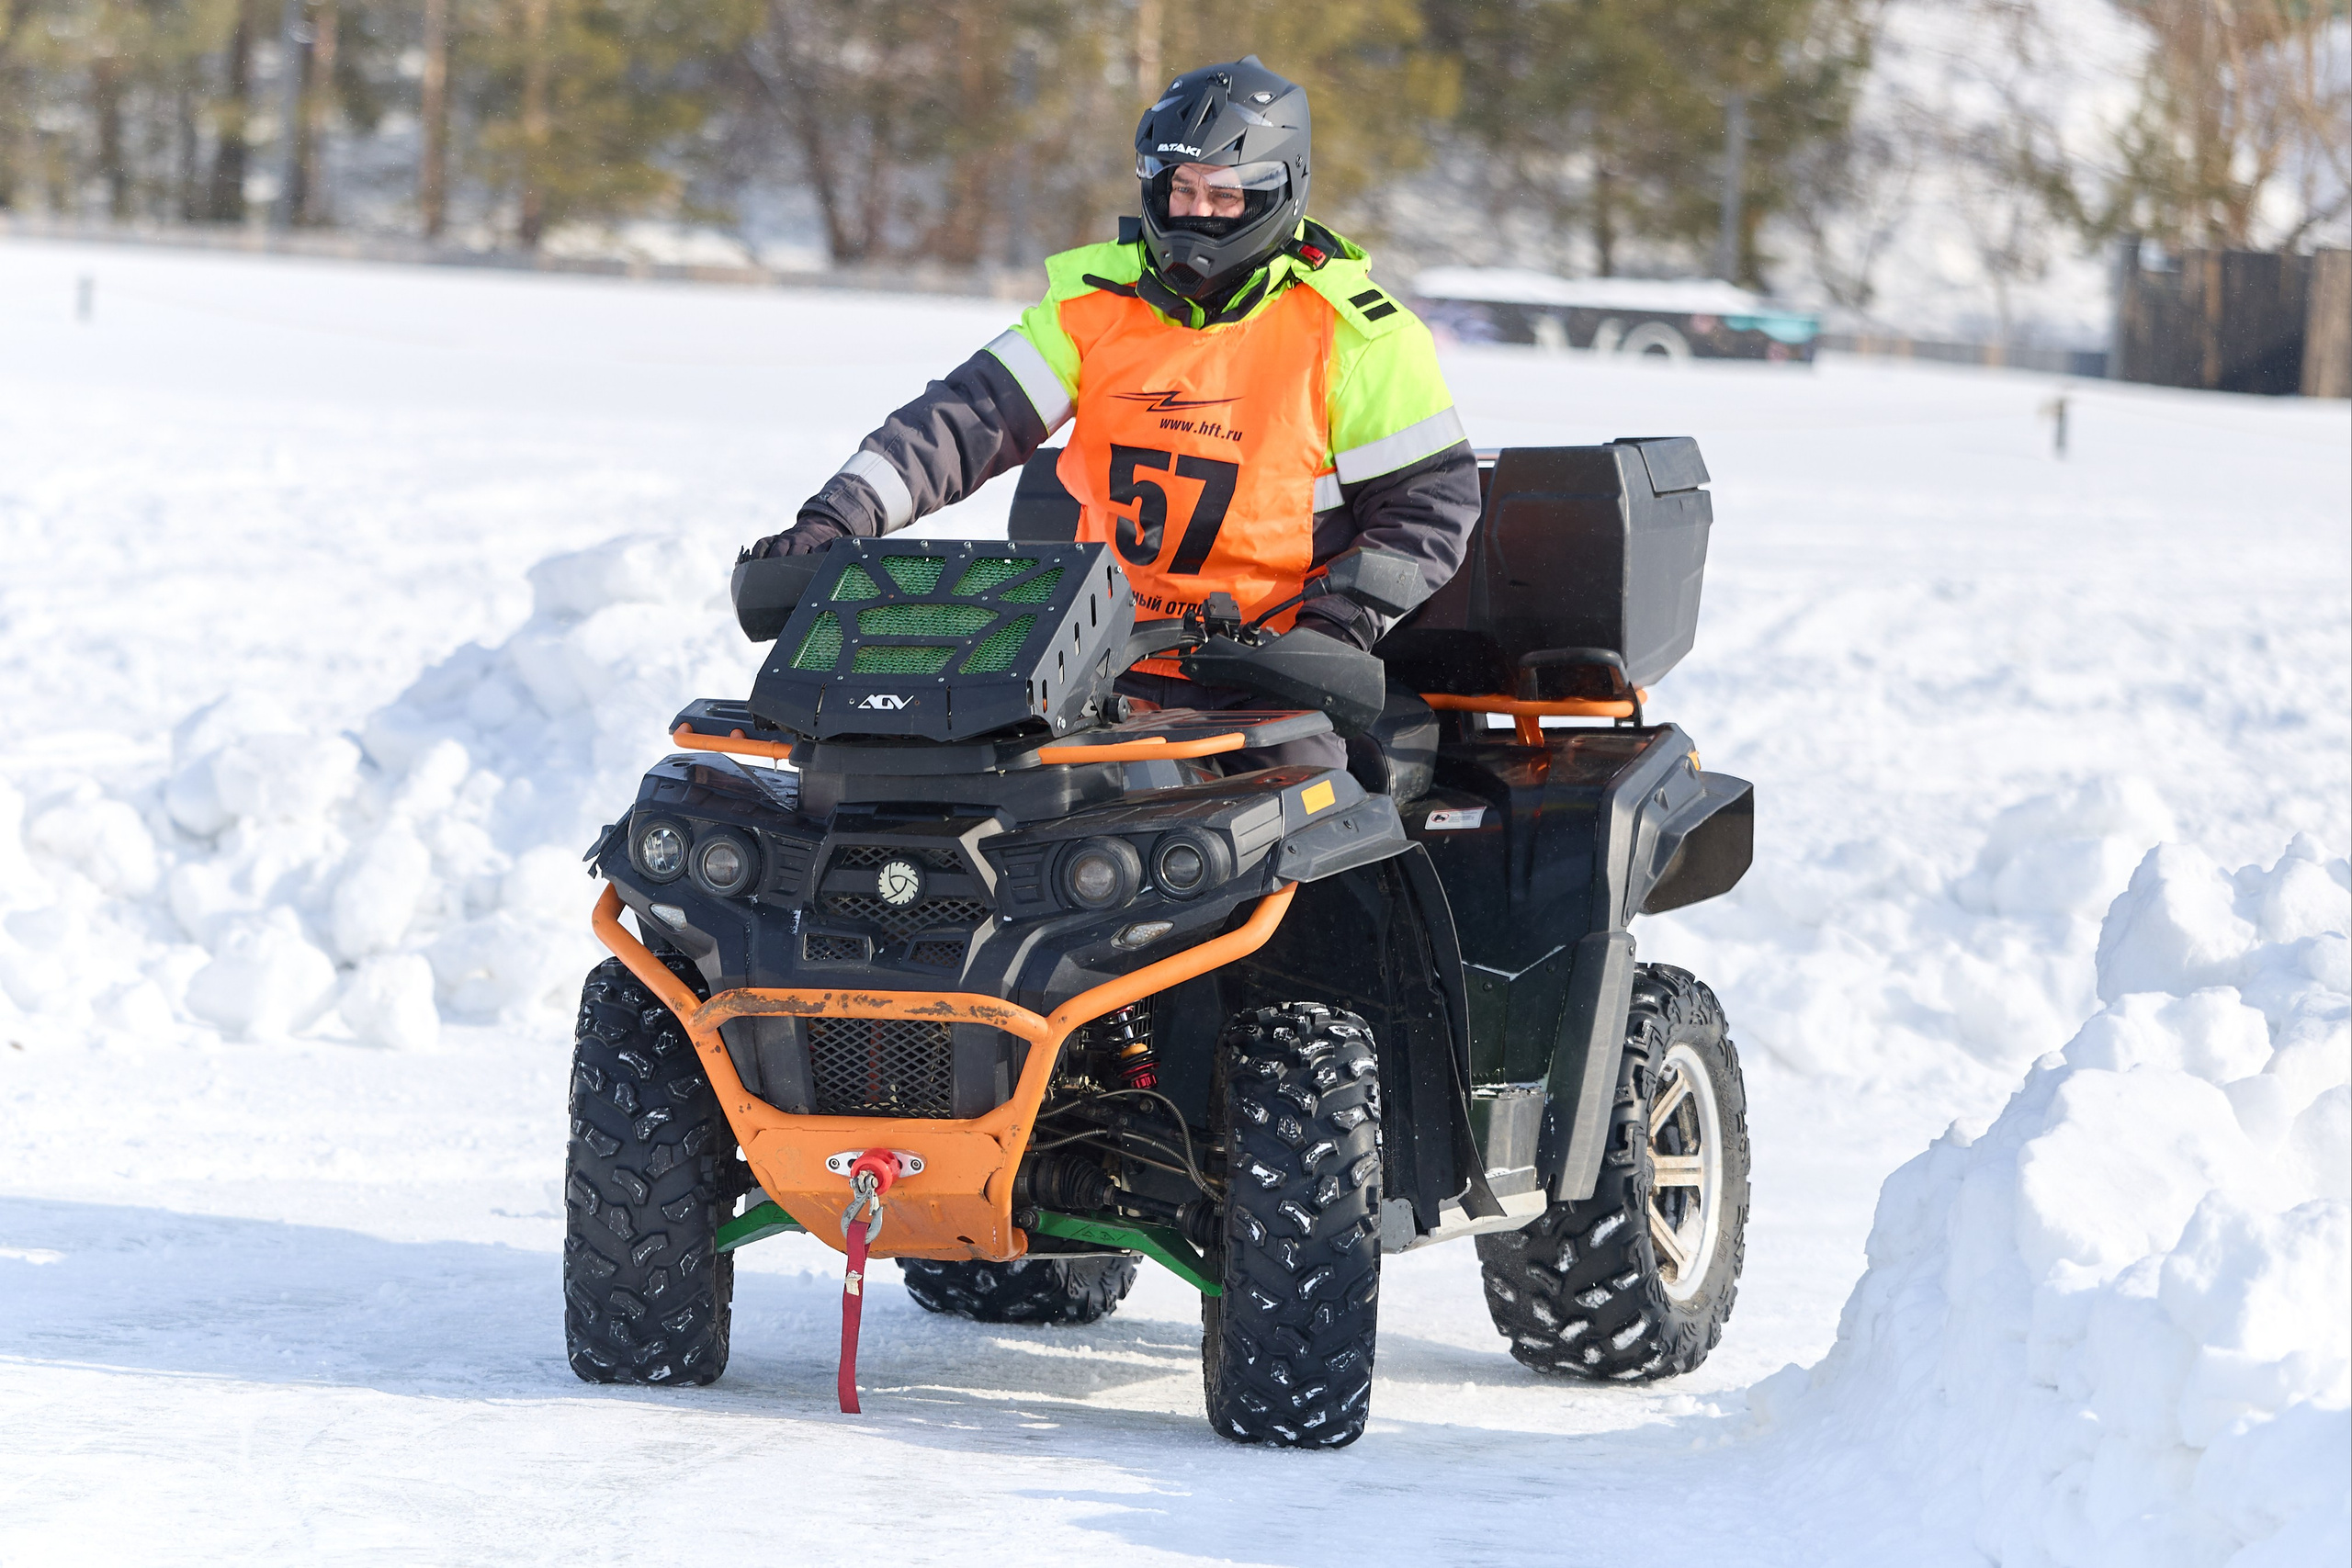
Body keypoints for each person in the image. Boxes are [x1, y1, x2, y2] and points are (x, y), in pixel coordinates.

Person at [743, 56, 1481, 773]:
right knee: (948, 788)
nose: (1196, 213)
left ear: (1282, 192)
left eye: (1225, 197)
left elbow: (1432, 509)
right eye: (1179, 189)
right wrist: (834, 522)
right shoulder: (1095, 304)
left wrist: (1333, 629)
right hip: (1094, 655)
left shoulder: (1360, 336)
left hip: (1270, 671)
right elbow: (961, 422)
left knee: (1306, 835)